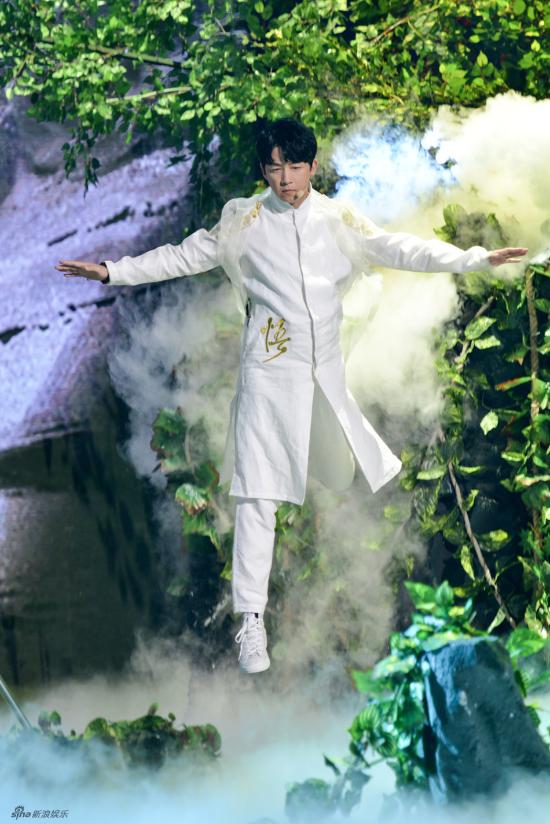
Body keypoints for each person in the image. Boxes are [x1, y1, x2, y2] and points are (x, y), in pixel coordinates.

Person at [56, 118, 528, 675]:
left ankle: (337, 548)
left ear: (311, 167)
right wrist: (110, 271)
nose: (285, 179)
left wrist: (474, 258)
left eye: (294, 167)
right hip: (268, 375)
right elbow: (183, 255)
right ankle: (251, 621)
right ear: (264, 171)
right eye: (274, 168)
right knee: (257, 495)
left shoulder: (339, 221)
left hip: (324, 377)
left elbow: (400, 249)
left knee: (342, 473)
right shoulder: (244, 221)